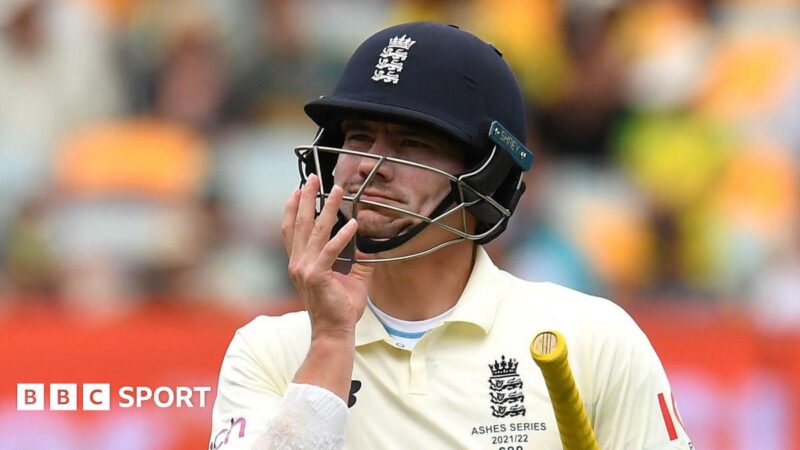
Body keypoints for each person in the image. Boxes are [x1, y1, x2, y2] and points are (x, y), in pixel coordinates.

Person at [208, 22, 694, 450]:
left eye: (411, 144)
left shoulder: (593, 338)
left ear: (485, 176)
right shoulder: (269, 350)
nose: (369, 168)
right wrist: (332, 341)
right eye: (357, 137)